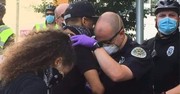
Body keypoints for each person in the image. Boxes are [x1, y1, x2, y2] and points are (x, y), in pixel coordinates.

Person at [70, 12, 153, 94]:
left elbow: (117, 74)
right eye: (99, 42)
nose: (103, 46)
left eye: (107, 42)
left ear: (121, 33)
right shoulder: (100, 51)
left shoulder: (138, 52)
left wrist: (96, 46)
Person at [0, 29, 75, 94]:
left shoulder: (14, 74)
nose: (60, 78)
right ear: (58, 62)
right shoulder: (36, 86)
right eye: (63, 74)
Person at [56, 1, 104, 94]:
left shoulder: (57, 39)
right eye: (92, 22)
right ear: (84, 21)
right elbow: (98, 89)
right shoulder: (78, 44)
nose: (93, 26)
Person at [142, 0, 180, 94]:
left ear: (178, 19)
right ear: (156, 21)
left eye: (171, 15)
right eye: (162, 16)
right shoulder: (146, 45)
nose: (167, 19)